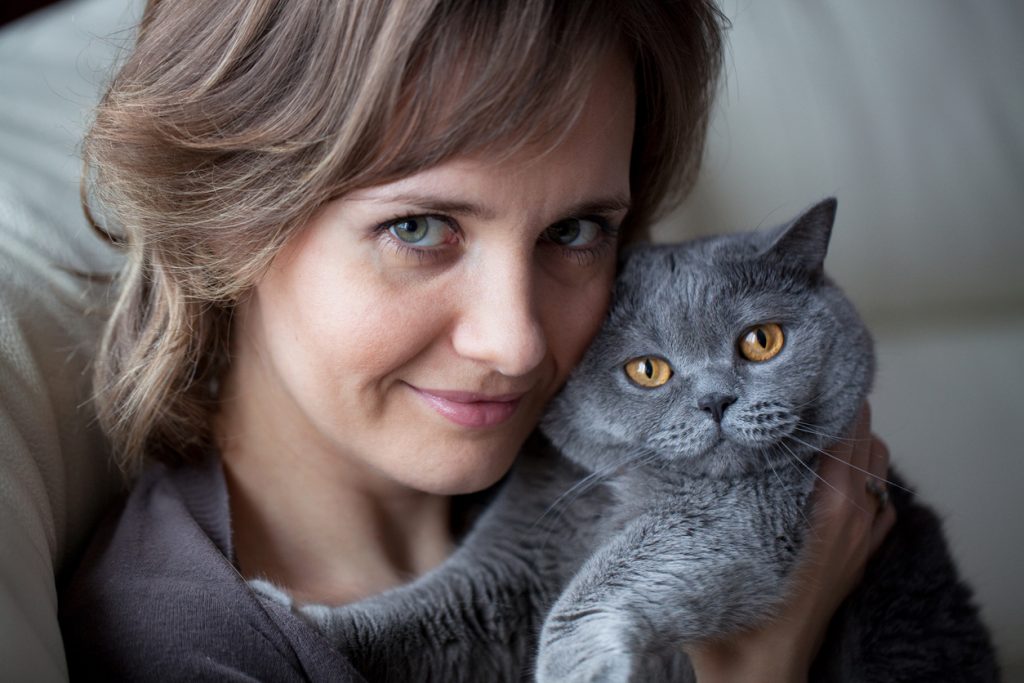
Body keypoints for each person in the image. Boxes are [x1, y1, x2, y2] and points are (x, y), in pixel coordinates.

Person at [59, 0, 896, 680]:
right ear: (223, 224)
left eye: (573, 230)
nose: (519, 344)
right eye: (419, 228)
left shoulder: (622, 441)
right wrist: (763, 663)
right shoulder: (191, 646)